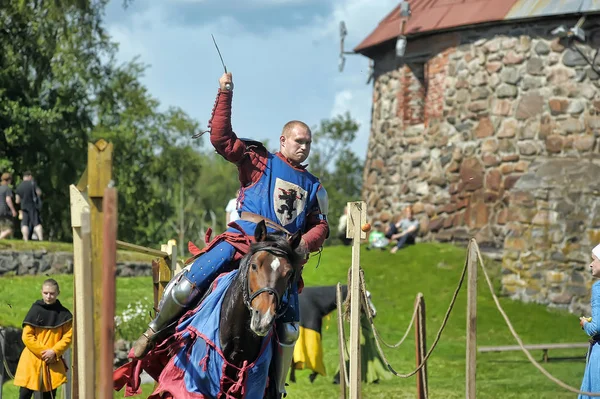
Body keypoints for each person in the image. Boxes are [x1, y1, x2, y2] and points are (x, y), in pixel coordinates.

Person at [131, 72, 329, 396]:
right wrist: (225, 93)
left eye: (308, 143)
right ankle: (153, 332)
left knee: (290, 328)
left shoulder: (314, 186)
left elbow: (321, 225)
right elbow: (222, 140)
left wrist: (304, 243)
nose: (304, 147)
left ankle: (277, 389)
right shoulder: (258, 161)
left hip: (281, 257)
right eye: (298, 141)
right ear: (283, 141)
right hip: (243, 242)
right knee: (186, 285)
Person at [13, 279, 73, 399]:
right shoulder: (35, 310)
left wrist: (54, 352)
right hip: (32, 361)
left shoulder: (64, 314)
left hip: (52, 362)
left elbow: (68, 337)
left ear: (58, 293)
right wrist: (46, 352)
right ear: (41, 292)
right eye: (46, 293)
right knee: (24, 395)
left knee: (49, 396)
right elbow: (27, 336)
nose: (49, 296)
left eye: (52, 293)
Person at [579, 243, 600, 398]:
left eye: (594, 260)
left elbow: (596, 328)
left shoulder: (598, 288)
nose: (590, 264)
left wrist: (585, 324)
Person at [15, 171, 43, 242]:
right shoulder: (32, 184)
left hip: (23, 207)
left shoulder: (19, 186)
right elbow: (39, 193)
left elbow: (17, 200)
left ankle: (25, 239)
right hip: (32, 206)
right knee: (36, 223)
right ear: (30, 176)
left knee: (25, 223)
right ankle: (41, 238)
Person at [0, 172, 17, 239]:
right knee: (9, 229)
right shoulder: (7, 189)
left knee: (2, 229)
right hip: (5, 210)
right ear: (9, 180)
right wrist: (13, 210)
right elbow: (8, 200)